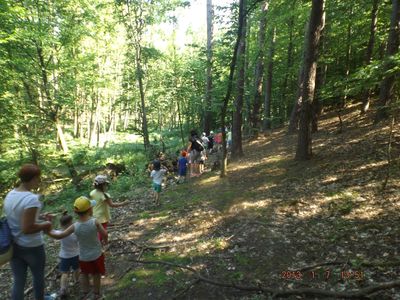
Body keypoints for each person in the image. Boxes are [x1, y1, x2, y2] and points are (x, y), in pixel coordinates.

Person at [3, 164, 54, 300]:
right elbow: (27, 228)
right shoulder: (31, 199)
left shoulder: (11, 195)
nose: (39, 181)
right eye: (38, 178)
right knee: (38, 276)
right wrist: (46, 224)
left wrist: (40, 216)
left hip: (14, 245)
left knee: (19, 280)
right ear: (32, 178)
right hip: (32, 246)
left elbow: (18, 216)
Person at [48, 196, 107, 300]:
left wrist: (47, 230)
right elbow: (104, 234)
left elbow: (60, 235)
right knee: (96, 274)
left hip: (83, 257)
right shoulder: (95, 221)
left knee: (84, 274)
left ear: (76, 212)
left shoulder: (75, 226)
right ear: (90, 210)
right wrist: (105, 241)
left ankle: (85, 293)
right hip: (96, 254)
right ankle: (96, 294)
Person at [90, 175, 128, 241]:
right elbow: (112, 205)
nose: (106, 186)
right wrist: (123, 203)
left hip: (94, 215)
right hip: (102, 217)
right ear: (102, 185)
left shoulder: (92, 193)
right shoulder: (104, 195)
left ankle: (99, 243)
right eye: (105, 185)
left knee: (98, 231)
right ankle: (101, 244)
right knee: (102, 232)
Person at [54, 212, 80, 299]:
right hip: (75, 255)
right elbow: (79, 242)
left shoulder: (59, 232)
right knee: (76, 269)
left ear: (61, 224)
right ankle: (76, 281)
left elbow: (51, 232)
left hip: (64, 256)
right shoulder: (74, 234)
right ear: (70, 223)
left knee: (64, 273)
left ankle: (63, 288)